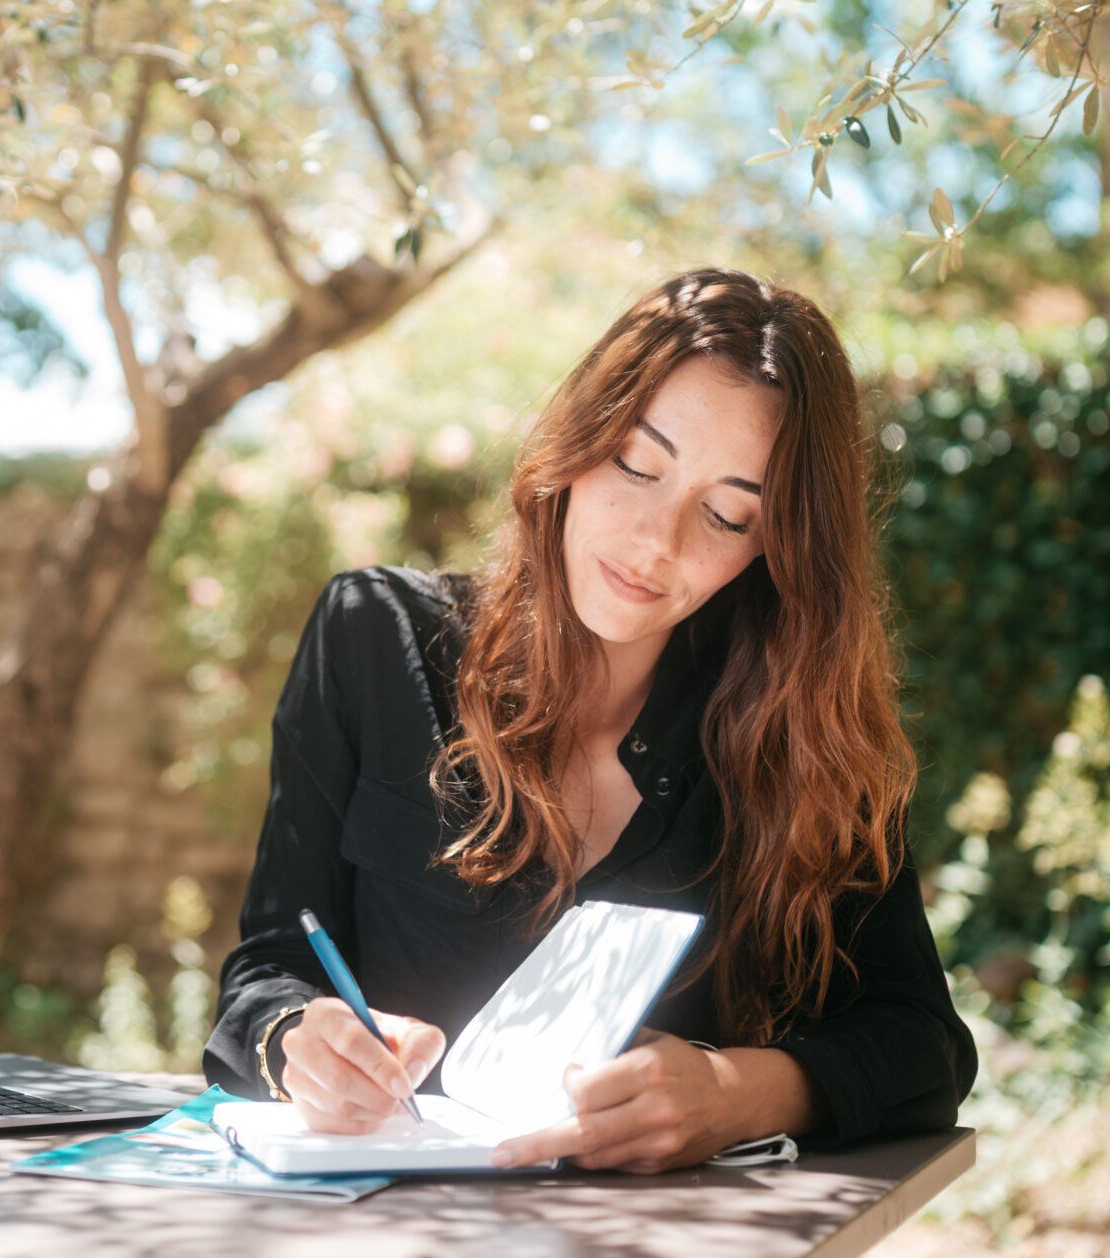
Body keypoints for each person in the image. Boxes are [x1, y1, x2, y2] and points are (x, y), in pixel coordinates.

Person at [203, 268, 977, 1173]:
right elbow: (264, 971)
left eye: (727, 515)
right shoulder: (374, 639)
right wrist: (296, 1037)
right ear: (577, 444)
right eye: (638, 466)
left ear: (774, 550)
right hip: (370, 1245)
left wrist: (732, 1093)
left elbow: (925, 1042)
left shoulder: (796, 736)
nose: (659, 540)